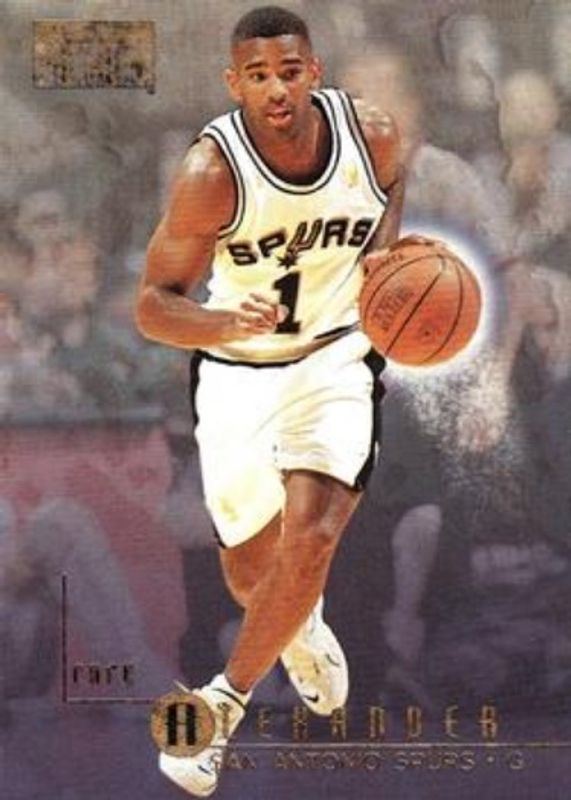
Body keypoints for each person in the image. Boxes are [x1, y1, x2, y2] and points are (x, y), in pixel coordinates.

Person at [136, 6, 404, 796]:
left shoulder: (371, 135)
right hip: (237, 373)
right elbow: (152, 306)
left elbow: (391, 186)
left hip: (335, 359)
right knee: (253, 578)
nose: (276, 89)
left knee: (313, 535)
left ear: (313, 71)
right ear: (235, 84)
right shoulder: (210, 174)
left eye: (289, 71)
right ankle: (299, 625)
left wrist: (383, 258)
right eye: (258, 76)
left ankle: (219, 706)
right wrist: (224, 320)